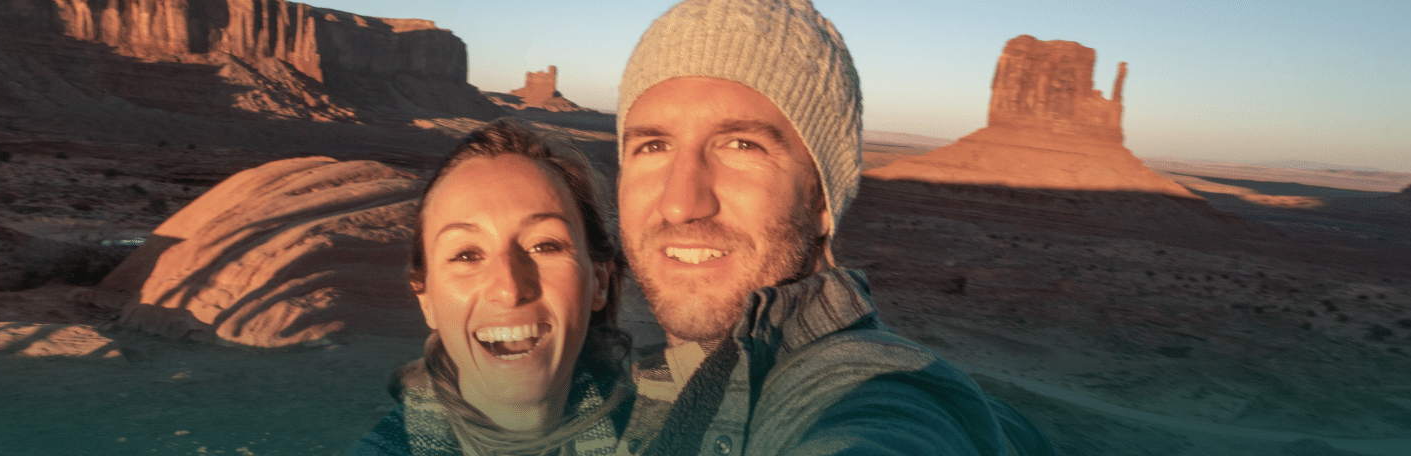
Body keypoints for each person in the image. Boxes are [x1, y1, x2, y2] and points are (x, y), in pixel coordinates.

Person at [612, 1, 1055, 455]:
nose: (681, 204)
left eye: (742, 144)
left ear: (823, 199)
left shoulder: (875, 389)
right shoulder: (614, 394)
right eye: (653, 145)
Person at [346, 120, 633, 456]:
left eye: (545, 246)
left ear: (598, 282)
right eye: (467, 254)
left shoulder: (672, 433)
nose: (509, 290)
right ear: (426, 300)